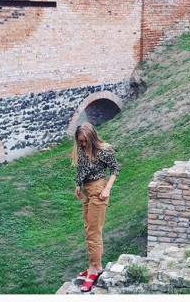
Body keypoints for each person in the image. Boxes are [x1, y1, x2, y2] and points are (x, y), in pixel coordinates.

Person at [71, 122, 120, 292]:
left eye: (85, 141)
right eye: (80, 141)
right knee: (88, 228)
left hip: (99, 189)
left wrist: (107, 189)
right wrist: (78, 185)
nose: (83, 144)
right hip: (87, 190)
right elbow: (82, 168)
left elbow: (115, 169)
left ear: (92, 137)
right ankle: (96, 266)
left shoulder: (103, 150)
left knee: (94, 231)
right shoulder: (82, 149)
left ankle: (93, 269)